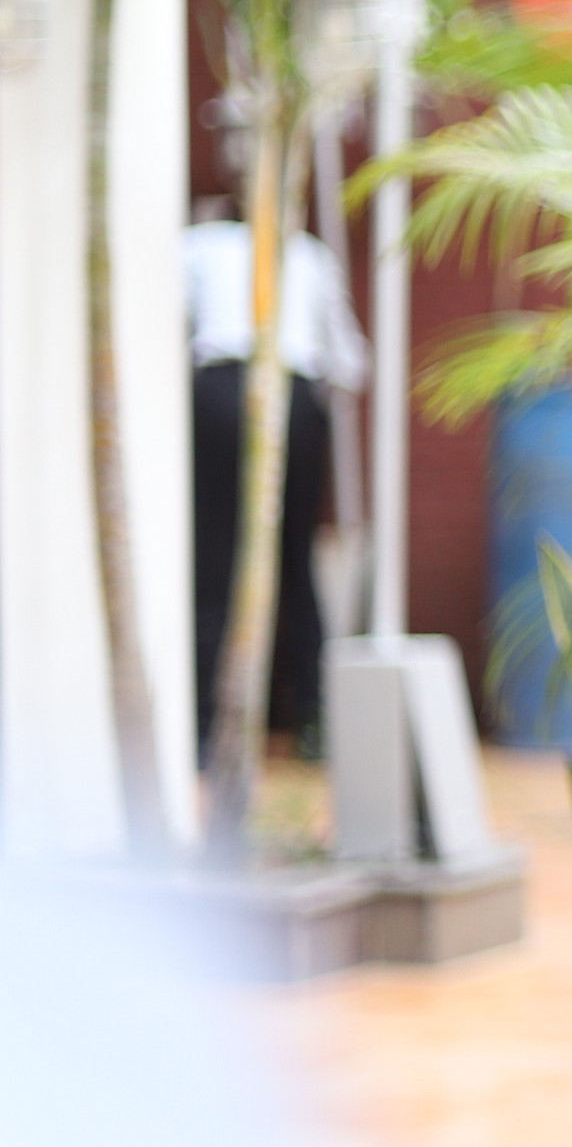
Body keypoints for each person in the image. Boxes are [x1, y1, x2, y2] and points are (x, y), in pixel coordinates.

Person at [186, 197, 365, 755]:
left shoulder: (198, 244)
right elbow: (352, 364)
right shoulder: (309, 254)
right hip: (294, 399)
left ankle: (204, 729)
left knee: (214, 558)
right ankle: (312, 724)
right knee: (294, 558)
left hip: (220, 394)